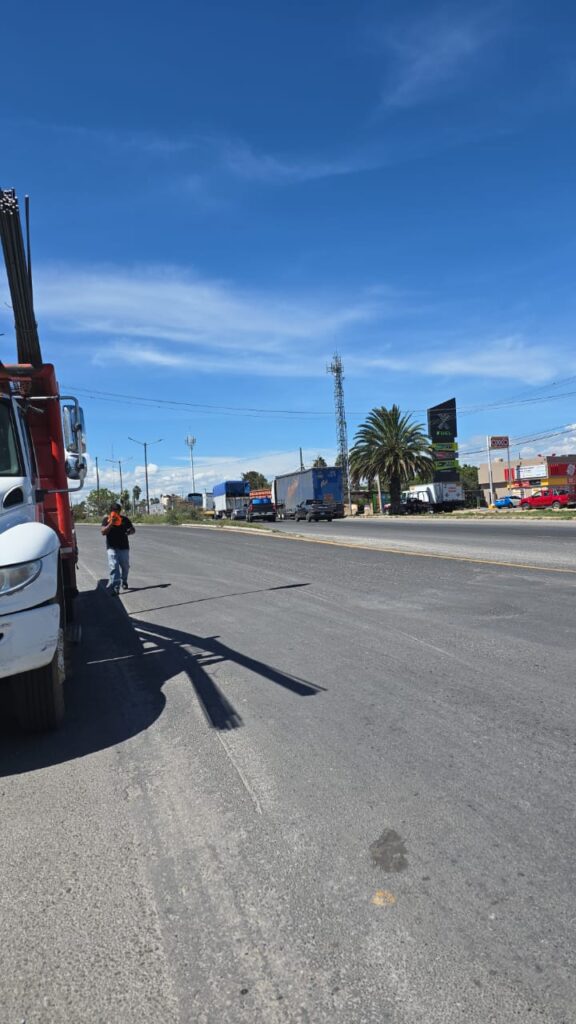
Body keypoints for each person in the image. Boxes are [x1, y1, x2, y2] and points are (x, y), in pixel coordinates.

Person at [101, 502, 136, 594]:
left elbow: (133, 530)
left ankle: (124, 580)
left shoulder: (125, 520)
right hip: (111, 547)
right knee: (114, 566)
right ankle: (115, 586)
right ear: (111, 511)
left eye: (117, 511)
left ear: (119, 511)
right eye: (114, 511)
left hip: (123, 547)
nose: (115, 513)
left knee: (125, 566)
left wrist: (130, 531)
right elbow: (103, 532)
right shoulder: (106, 520)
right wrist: (111, 523)